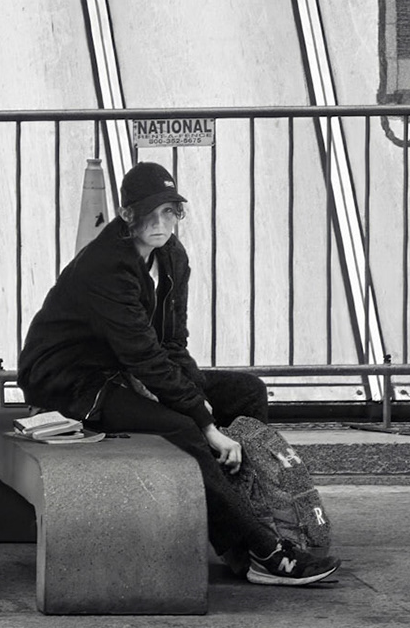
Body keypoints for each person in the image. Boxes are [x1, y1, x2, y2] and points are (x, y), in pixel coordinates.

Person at [17, 160, 339, 587]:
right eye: (150, 213)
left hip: (124, 368)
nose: (161, 223)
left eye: (169, 211)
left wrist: (195, 392)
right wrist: (205, 422)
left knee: (246, 392)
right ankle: (263, 551)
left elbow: (171, 344)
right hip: (71, 381)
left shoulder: (171, 257)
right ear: (127, 214)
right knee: (183, 427)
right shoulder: (105, 267)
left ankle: (246, 528)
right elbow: (143, 358)